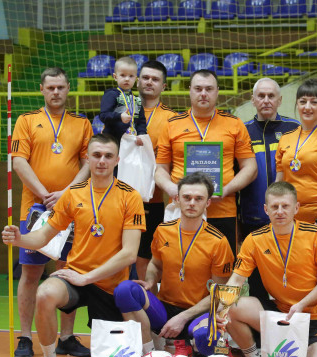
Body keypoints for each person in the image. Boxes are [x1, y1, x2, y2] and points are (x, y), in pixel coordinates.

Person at [2, 133, 146, 357]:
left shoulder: (130, 196)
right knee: (45, 293)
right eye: (96, 155)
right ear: (88, 159)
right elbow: (44, 236)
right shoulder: (73, 194)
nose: (102, 161)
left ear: (117, 160)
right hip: (76, 276)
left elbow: (129, 254)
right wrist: (19, 239)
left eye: (108, 156)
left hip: (109, 283)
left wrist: (88, 277)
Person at [11, 67, 94, 357]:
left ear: (68, 88)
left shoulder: (81, 123)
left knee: (68, 271)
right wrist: (46, 194)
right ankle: (24, 336)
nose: (56, 92)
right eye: (51, 87)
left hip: (72, 209)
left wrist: (66, 194)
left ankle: (67, 338)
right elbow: (19, 162)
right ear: (42, 90)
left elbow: (88, 163)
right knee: (30, 273)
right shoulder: (26, 121)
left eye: (60, 87)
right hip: (35, 209)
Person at [225, 181, 317, 357]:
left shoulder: (315, 235)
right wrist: (220, 306)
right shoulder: (255, 239)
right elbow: (236, 279)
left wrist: (302, 304)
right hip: (279, 315)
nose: (280, 211)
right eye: (274, 207)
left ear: (296, 208)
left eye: (285, 206)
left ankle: (312, 354)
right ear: (266, 209)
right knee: (231, 306)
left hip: (313, 318)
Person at [113, 172, 234, 357]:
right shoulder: (163, 231)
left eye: (198, 198)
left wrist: (183, 317)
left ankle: (195, 348)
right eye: (187, 197)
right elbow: (155, 265)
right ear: (177, 199)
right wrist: (150, 280)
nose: (192, 203)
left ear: (208, 203)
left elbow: (219, 294)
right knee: (124, 290)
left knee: (206, 337)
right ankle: (149, 355)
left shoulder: (219, 242)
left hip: (197, 313)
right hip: (164, 309)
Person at [155, 69, 257, 254]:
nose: (203, 93)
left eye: (209, 89)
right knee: (180, 263)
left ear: (217, 92)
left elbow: (250, 167)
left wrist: (226, 190)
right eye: (198, 88)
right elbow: (160, 169)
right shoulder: (172, 124)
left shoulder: (234, 123)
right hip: (182, 209)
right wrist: (171, 188)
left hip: (223, 210)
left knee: (224, 266)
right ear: (190, 91)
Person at [241, 78, 299, 305]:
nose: (266, 100)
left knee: (292, 278)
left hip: (288, 220)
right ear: (253, 100)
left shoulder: (294, 128)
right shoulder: (242, 131)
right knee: (256, 283)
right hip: (252, 219)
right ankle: (259, 325)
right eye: (261, 96)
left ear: (279, 100)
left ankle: (291, 322)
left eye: (271, 96)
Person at [275, 78, 317, 248]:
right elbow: (280, 183)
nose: (307, 107)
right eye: (303, 101)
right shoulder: (285, 139)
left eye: (314, 102)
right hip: (292, 217)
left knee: (315, 263)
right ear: (297, 104)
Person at [135, 60, 178, 280]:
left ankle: (146, 300)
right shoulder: (122, 113)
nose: (149, 82)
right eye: (145, 78)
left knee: (146, 257)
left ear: (164, 86)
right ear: (137, 81)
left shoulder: (172, 118)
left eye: (155, 79)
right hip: (120, 196)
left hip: (153, 199)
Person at [99, 56, 147, 144]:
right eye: (123, 75)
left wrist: (141, 135)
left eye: (131, 76)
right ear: (115, 77)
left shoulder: (136, 100)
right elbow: (103, 115)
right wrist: (119, 116)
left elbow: (141, 122)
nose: (127, 79)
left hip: (131, 142)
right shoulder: (111, 94)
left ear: (136, 79)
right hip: (112, 142)